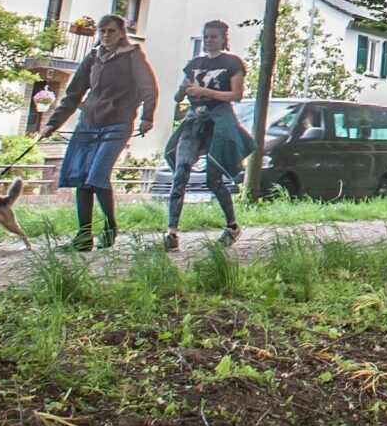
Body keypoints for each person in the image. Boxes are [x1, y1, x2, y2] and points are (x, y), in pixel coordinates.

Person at [39, 14, 157, 250]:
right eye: (102, 31)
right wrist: (53, 123)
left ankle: (110, 225)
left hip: (118, 123)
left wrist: (147, 117)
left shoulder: (133, 57)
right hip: (88, 124)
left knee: (97, 174)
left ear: (122, 33)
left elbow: (149, 89)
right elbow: (73, 93)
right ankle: (83, 238)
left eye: (111, 31)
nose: (106, 35)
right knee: (81, 178)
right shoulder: (93, 57)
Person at [162, 19, 251, 250]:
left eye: (213, 36)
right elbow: (177, 98)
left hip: (219, 122)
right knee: (181, 170)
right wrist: (183, 91)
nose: (209, 40)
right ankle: (171, 231)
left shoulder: (232, 63)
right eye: (206, 36)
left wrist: (205, 91)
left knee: (213, 178)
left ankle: (232, 225)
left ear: (223, 38)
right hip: (194, 121)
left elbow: (236, 94)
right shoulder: (194, 64)